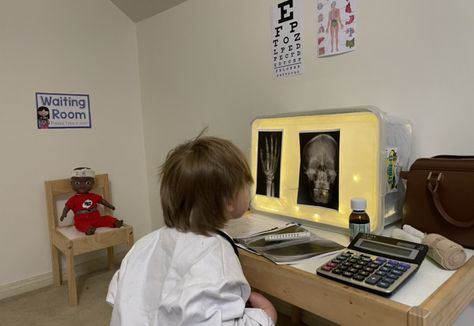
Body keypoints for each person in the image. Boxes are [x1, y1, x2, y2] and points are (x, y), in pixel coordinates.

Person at [107, 135, 277, 325]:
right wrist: (265, 317)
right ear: (228, 201)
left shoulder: (143, 245)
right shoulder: (215, 257)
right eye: (247, 185)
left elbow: (117, 297)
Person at [60, 167, 123, 235]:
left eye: (87, 182)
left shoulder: (93, 196)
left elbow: (102, 201)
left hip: (96, 219)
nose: (82, 185)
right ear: (72, 184)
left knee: (105, 219)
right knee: (80, 225)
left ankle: (115, 223)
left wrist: (110, 206)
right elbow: (67, 207)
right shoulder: (73, 199)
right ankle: (89, 230)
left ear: (93, 183)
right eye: (77, 183)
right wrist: (64, 214)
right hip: (81, 220)